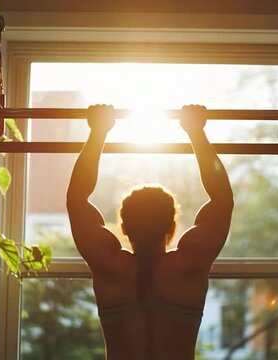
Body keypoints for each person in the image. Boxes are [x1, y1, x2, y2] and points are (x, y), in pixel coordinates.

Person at [66, 104, 234, 360]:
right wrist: (195, 131)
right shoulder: (189, 265)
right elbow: (222, 200)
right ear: (172, 226)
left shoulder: (110, 266)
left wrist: (98, 131)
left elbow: (76, 199)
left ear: (123, 228)